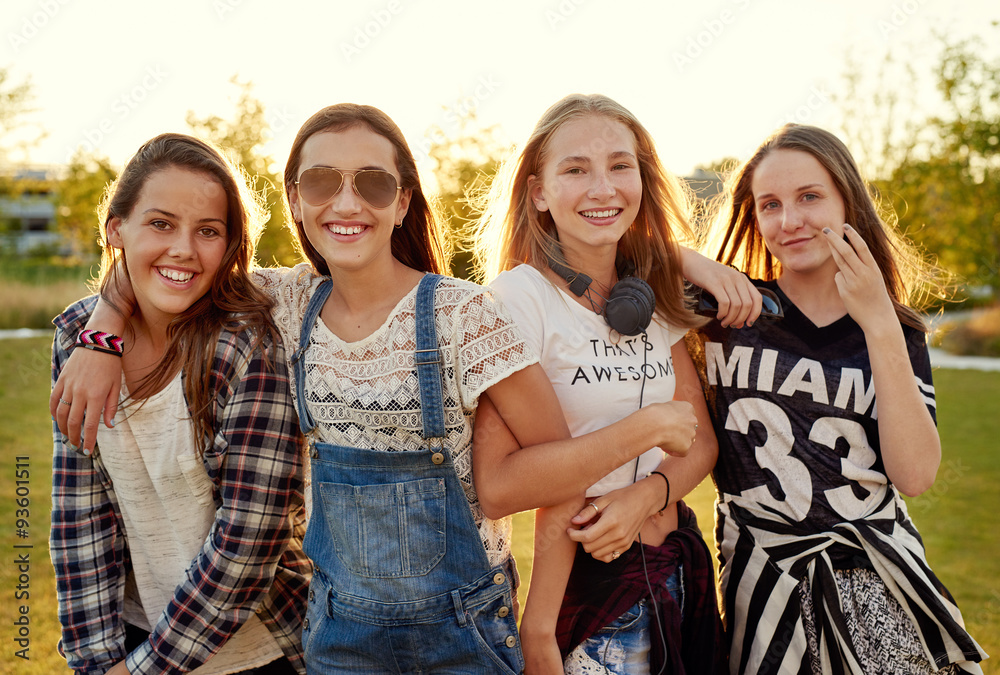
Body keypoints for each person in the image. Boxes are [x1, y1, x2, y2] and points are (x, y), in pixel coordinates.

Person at [52, 104, 708, 674]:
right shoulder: (279, 303)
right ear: (295, 200)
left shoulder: (464, 314)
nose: (345, 202)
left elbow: (556, 469)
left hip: (464, 636)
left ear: (402, 201)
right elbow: (171, 264)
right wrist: (104, 327)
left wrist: (639, 434)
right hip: (339, 637)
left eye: (371, 181)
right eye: (321, 182)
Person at [690, 123, 988, 674]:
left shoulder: (893, 328)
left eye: (809, 197)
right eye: (770, 204)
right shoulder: (727, 313)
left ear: (846, 199)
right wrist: (695, 263)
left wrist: (879, 323)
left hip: (875, 575)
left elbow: (917, 474)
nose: (790, 221)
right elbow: (620, 253)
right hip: (762, 576)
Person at [472, 93, 751, 675]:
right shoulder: (516, 302)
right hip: (594, 599)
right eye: (575, 169)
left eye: (620, 166)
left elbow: (699, 442)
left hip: (676, 574)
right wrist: (540, 630)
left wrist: (644, 496)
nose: (603, 188)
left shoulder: (649, 292)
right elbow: (500, 490)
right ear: (539, 192)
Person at [48, 134, 310, 674]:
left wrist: (146, 671)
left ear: (231, 246)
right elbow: (80, 512)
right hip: (131, 633)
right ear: (116, 228)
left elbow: (250, 537)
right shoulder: (80, 334)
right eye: (161, 223)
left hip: (257, 648)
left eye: (208, 231)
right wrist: (98, 662)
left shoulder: (246, 345)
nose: (184, 250)